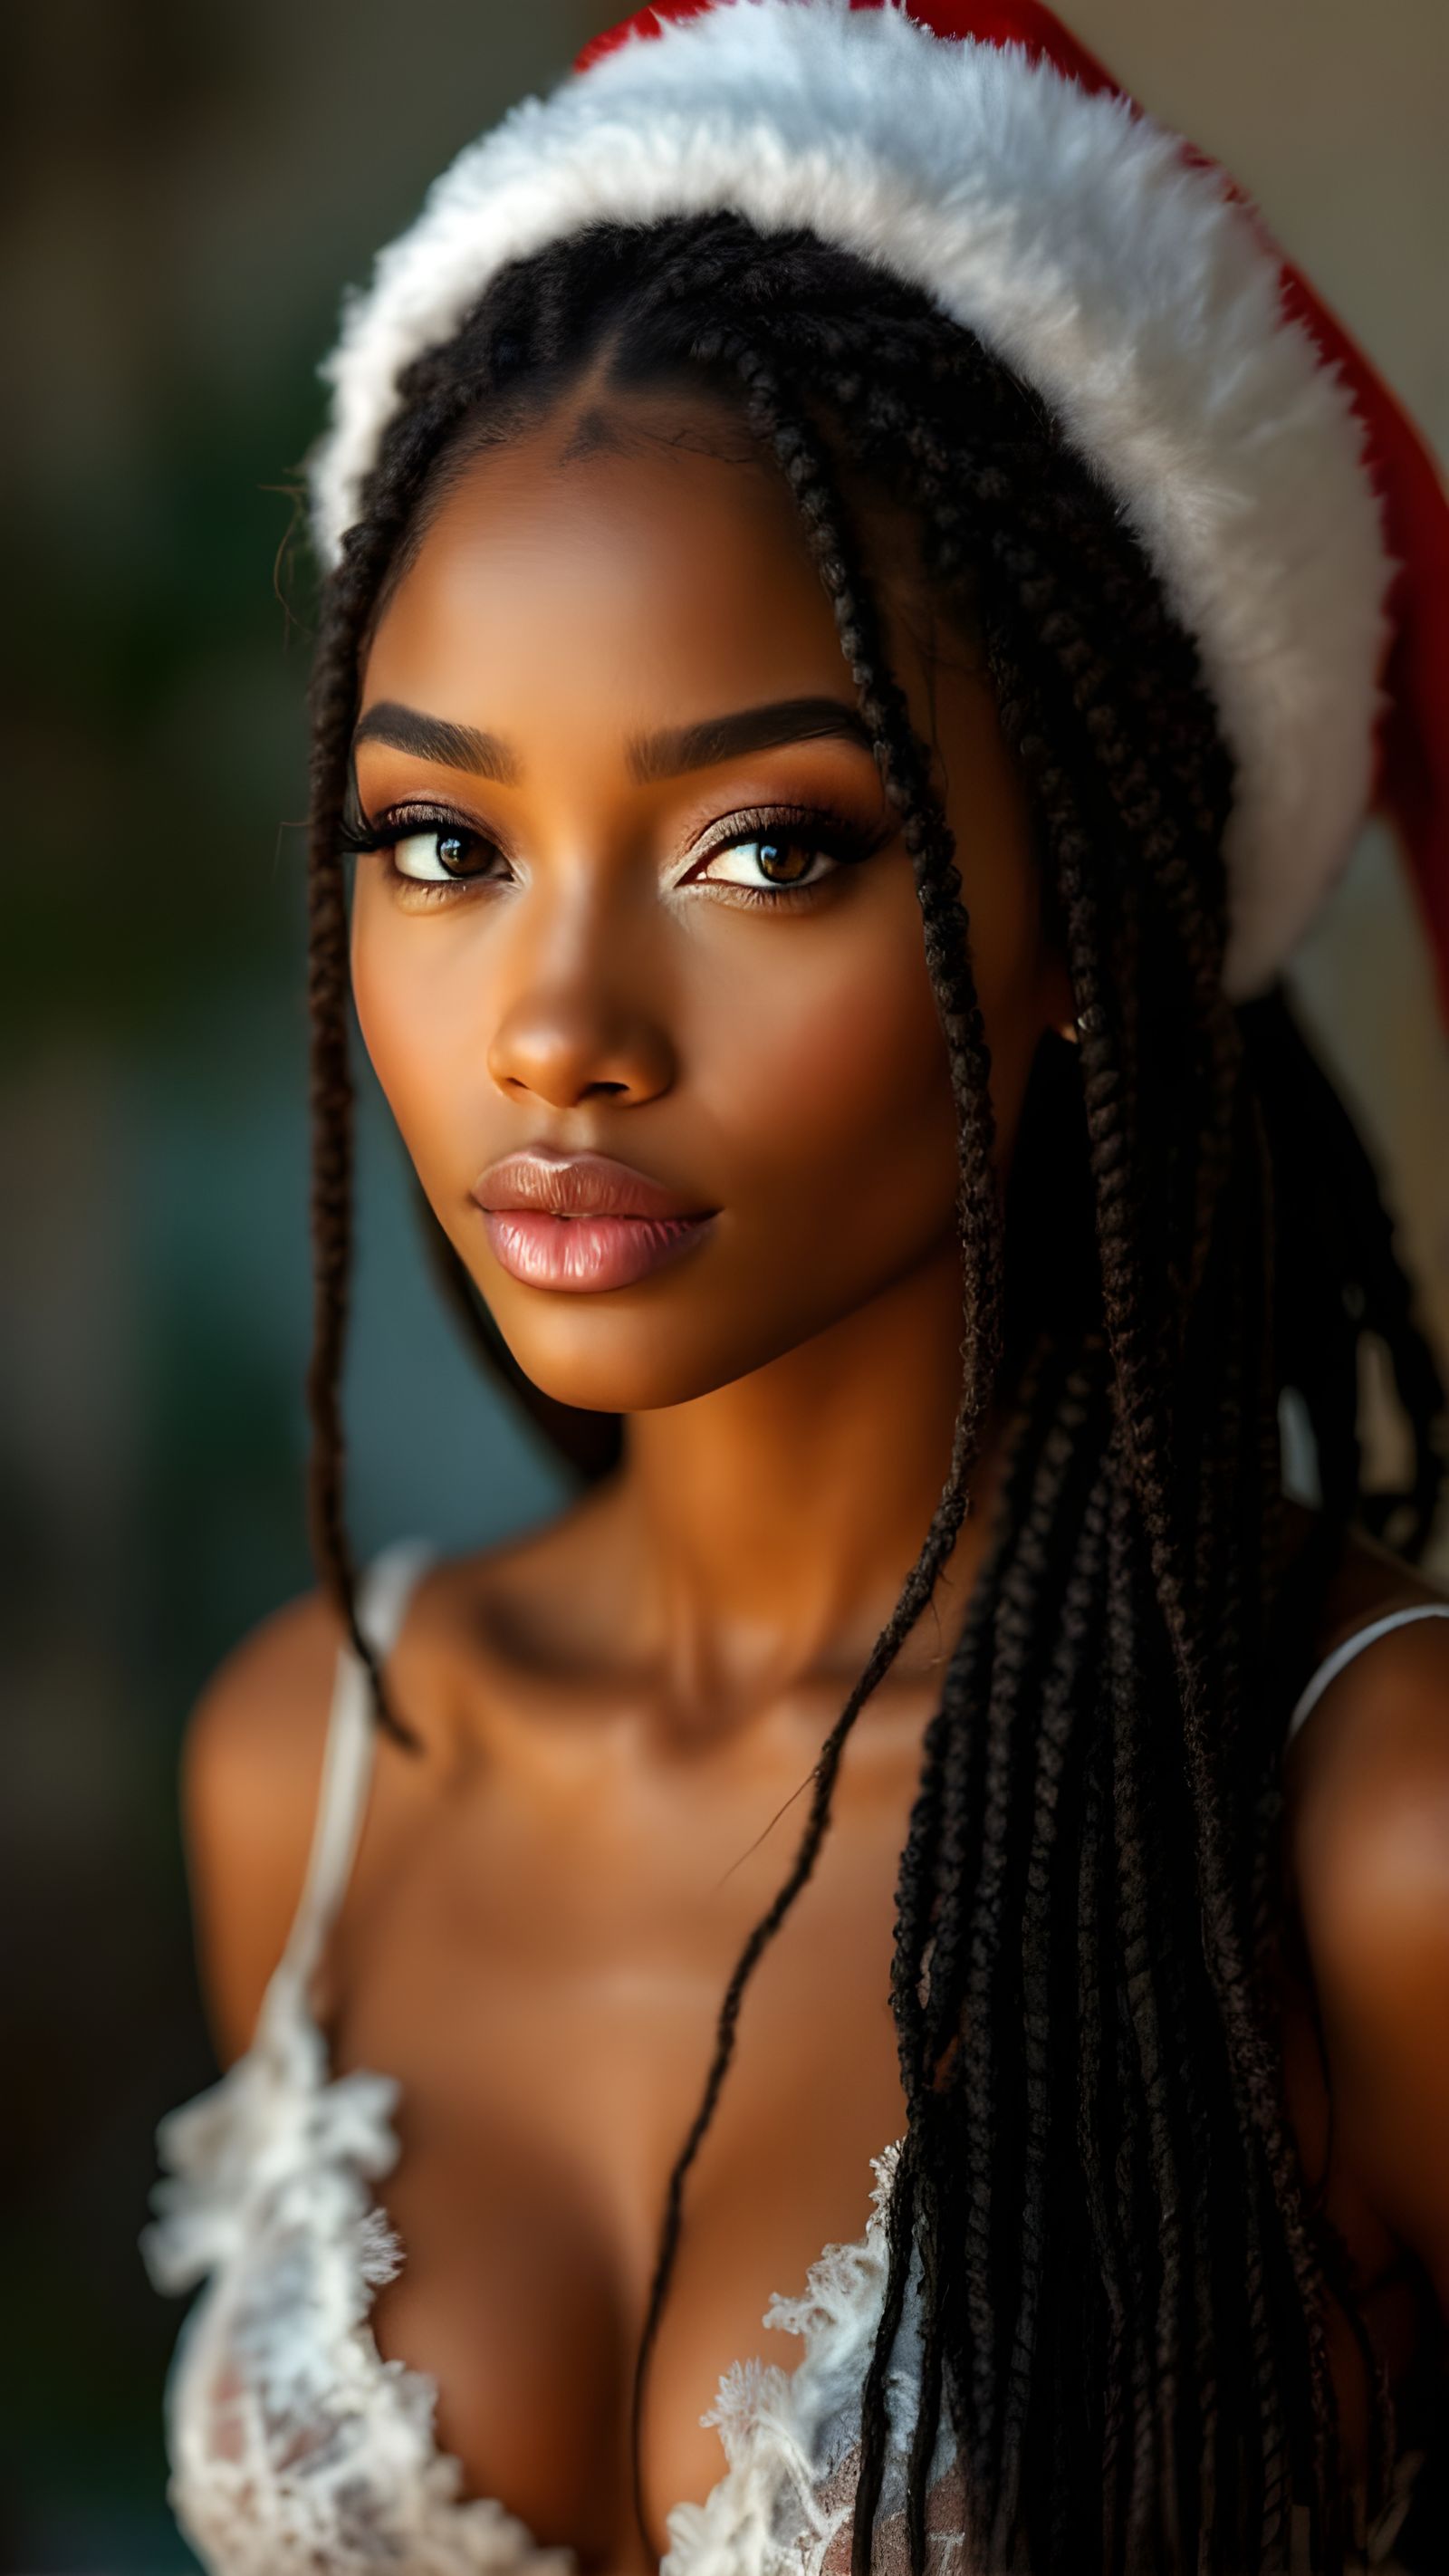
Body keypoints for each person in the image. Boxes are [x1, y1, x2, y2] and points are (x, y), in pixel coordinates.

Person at [140, 5, 1449, 2571]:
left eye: (767, 847)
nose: (556, 1027)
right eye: (440, 843)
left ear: (1093, 911)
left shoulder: (1368, 1834)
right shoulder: (311, 1763)